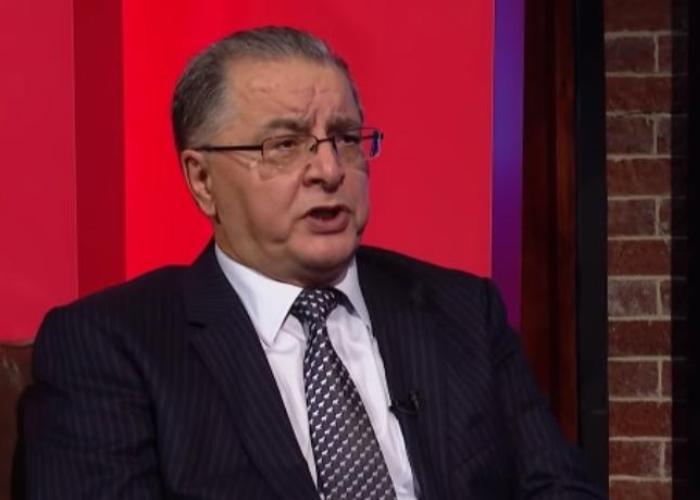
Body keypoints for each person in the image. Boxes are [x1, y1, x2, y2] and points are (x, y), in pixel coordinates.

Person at [23, 26, 603, 499]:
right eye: (284, 144)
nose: (329, 170)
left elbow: (559, 488)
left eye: (346, 139)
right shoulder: (110, 346)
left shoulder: (464, 311)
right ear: (202, 180)